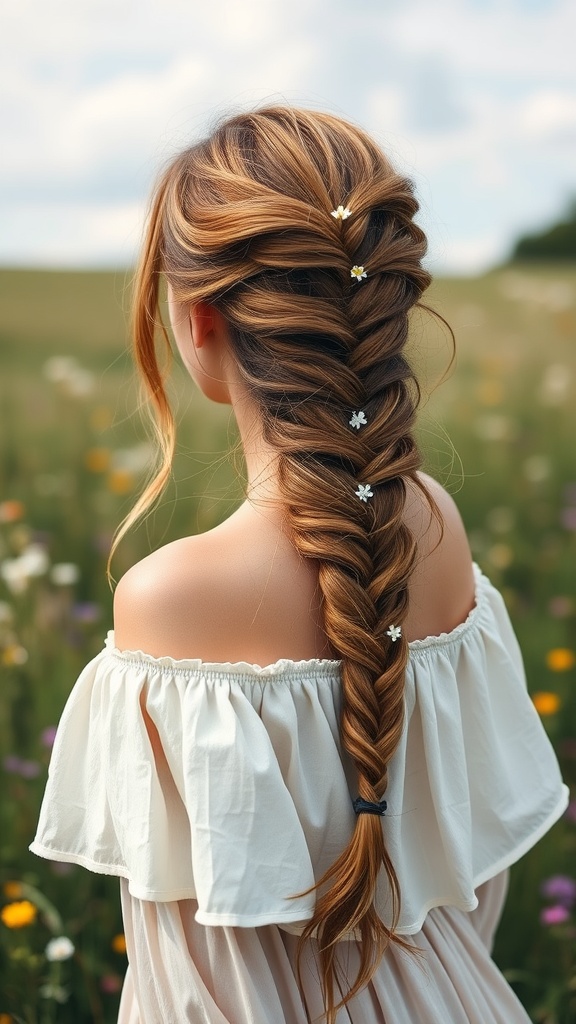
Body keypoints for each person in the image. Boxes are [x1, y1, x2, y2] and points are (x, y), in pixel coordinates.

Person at [31, 106, 568, 1024]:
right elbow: (479, 872)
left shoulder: (170, 599)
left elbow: (193, 981)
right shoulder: (434, 525)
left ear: (199, 321)